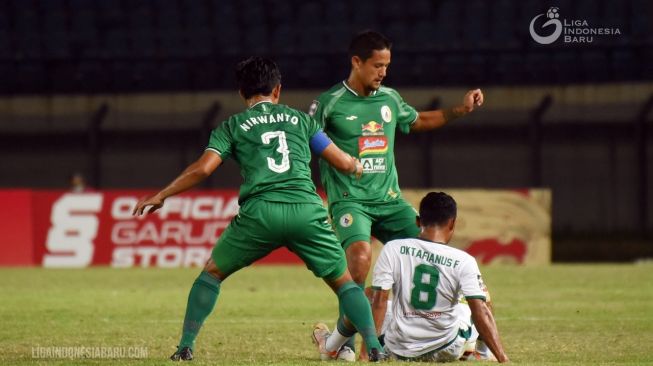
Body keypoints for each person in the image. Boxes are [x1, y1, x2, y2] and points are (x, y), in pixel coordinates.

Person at [132, 57, 387, 362]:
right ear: (278, 89)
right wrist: (357, 167)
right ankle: (374, 348)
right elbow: (342, 162)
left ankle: (185, 347)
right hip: (305, 210)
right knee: (345, 284)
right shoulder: (302, 121)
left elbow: (203, 169)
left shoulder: (232, 125)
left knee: (211, 274)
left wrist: (162, 194)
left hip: (260, 214)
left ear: (241, 93)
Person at [308, 30, 485, 358]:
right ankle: (345, 341)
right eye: (377, 65)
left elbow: (418, 121)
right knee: (360, 262)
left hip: (389, 201)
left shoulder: (389, 98)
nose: (383, 72)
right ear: (356, 62)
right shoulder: (330, 102)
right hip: (351, 201)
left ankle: (452, 334)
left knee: (434, 252)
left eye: (387, 65)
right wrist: (338, 161)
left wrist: (460, 110)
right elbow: (307, 136)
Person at [369, 192, 509, 362]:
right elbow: (480, 311)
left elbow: (379, 301)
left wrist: (373, 350)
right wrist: (504, 359)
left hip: (399, 349)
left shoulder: (393, 248)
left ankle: (337, 343)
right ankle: (484, 353)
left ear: (418, 221)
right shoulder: (464, 260)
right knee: (480, 295)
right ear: (452, 223)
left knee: (368, 295)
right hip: (446, 348)